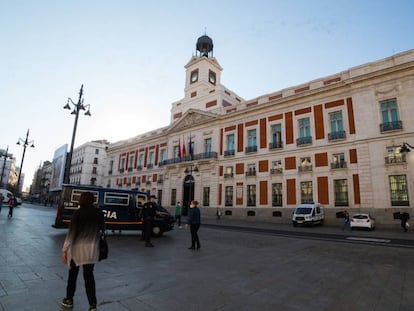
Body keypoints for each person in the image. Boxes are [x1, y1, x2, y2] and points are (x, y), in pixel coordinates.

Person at [60, 191, 104, 311]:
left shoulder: (78, 213)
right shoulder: (99, 213)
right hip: (92, 250)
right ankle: (93, 305)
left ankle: (69, 299)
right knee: (89, 277)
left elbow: (71, 234)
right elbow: (102, 229)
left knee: (72, 276)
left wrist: (64, 250)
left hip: (77, 250)